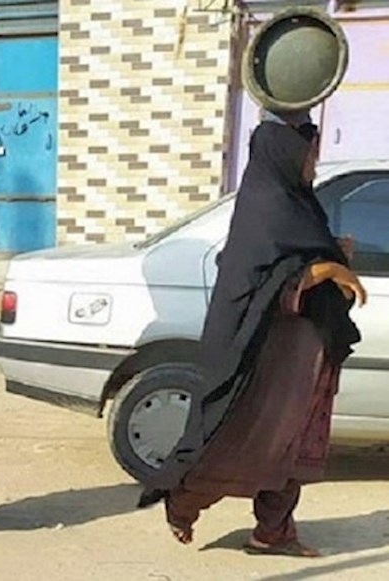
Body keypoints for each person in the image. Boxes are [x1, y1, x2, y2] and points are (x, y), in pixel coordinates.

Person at [138, 120, 367, 557]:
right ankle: (183, 503)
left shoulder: (298, 205)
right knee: (249, 440)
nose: (313, 163)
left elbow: (299, 256)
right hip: (268, 357)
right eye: (309, 155)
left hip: (306, 351)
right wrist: (332, 269)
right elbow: (271, 284)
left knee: (295, 444)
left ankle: (273, 532)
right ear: (283, 155)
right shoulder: (268, 206)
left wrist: (335, 255)